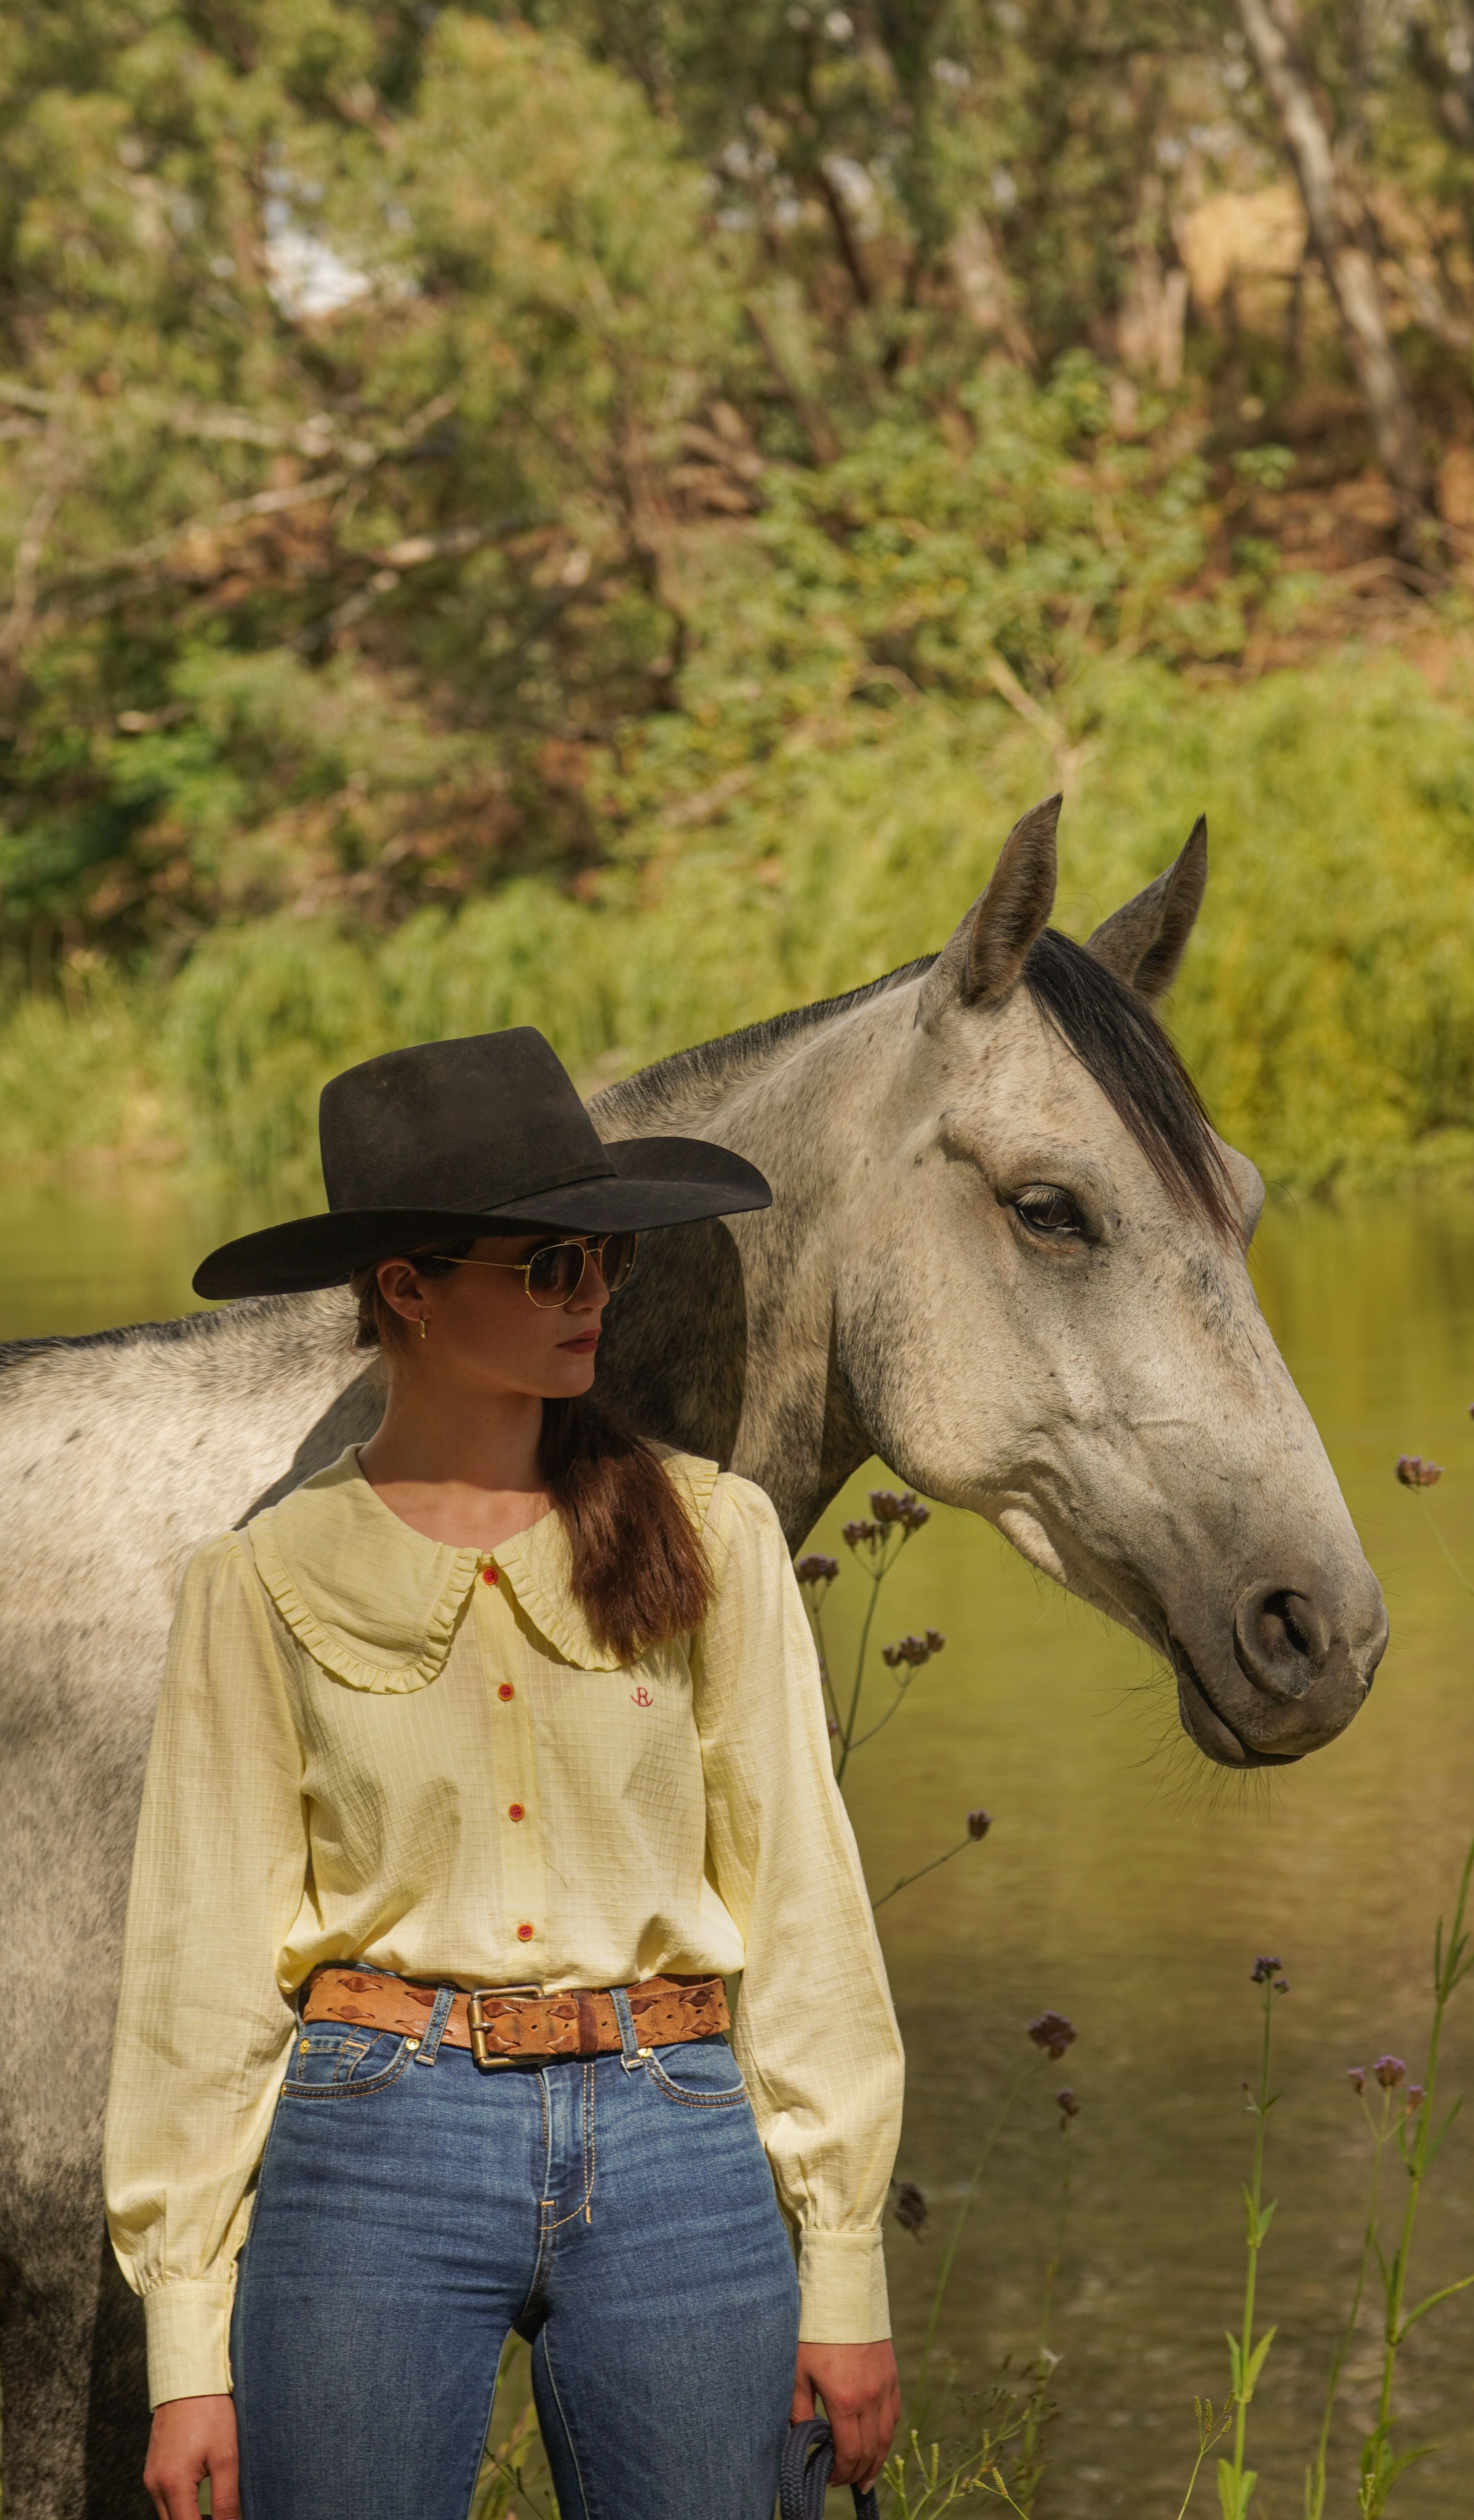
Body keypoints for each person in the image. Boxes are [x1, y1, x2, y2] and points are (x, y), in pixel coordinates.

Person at [102, 1028, 904, 2520]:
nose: (592, 1294)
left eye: (603, 1260)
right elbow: (198, 1976)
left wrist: (845, 2263)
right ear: (406, 1286)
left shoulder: (714, 1539)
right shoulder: (264, 1581)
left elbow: (804, 1908)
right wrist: (184, 2350)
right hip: (370, 2145)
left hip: (680, 2136)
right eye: (548, 1266)